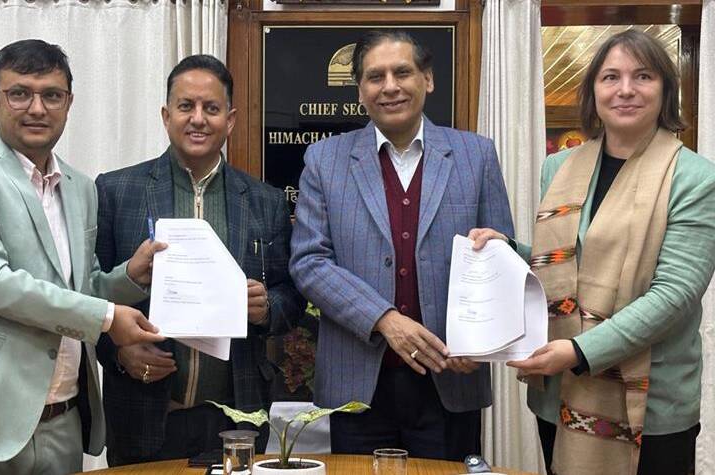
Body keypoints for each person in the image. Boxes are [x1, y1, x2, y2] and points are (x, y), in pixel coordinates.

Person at [0, 39, 165, 475]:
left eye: (51, 95)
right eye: (19, 93)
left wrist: (129, 277)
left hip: (62, 420)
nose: (37, 108)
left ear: (69, 103)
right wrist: (108, 318)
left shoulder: (80, 186)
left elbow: (78, 288)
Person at [471, 29, 715, 475]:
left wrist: (580, 351)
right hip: (560, 394)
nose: (626, 89)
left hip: (650, 404)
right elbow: (565, 264)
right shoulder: (558, 167)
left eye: (643, 76)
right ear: (594, 91)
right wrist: (509, 251)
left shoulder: (695, 179)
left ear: (666, 90)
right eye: (611, 77)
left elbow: (674, 295)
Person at [289, 30, 514, 460]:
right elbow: (309, 262)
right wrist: (385, 320)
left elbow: (500, 255)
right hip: (357, 386)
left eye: (402, 72)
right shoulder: (324, 160)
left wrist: (480, 340)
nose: (389, 86)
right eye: (375, 77)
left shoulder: (476, 155)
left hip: (450, 376)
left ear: (427, 79)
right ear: (360, 91)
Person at [95, 54, 304, 466]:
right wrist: (117, 354)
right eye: (185, 106)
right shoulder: (117, 191)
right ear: (166, 115)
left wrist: (267, 307)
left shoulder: (264, 201)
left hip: (236, 415)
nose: (198, 119)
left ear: (230, 120)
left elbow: (292, 296)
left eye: (211, 108)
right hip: (142, 412)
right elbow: (87, 293)